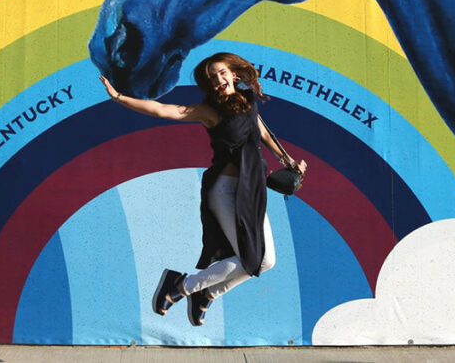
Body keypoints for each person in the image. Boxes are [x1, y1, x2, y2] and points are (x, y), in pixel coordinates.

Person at [99, 52, 306, 326]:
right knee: (252, 258)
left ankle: (206, 293)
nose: (218, 80)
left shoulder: (248, 100)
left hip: (252, 190)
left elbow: (263, 132)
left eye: (221, 73)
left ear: (233, 74)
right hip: (226, 191)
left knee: (265, 261)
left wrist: (288, 160)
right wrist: (119, 98)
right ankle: (182, 286)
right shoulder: (209, 112)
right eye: (211, 78)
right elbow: (166, 110)